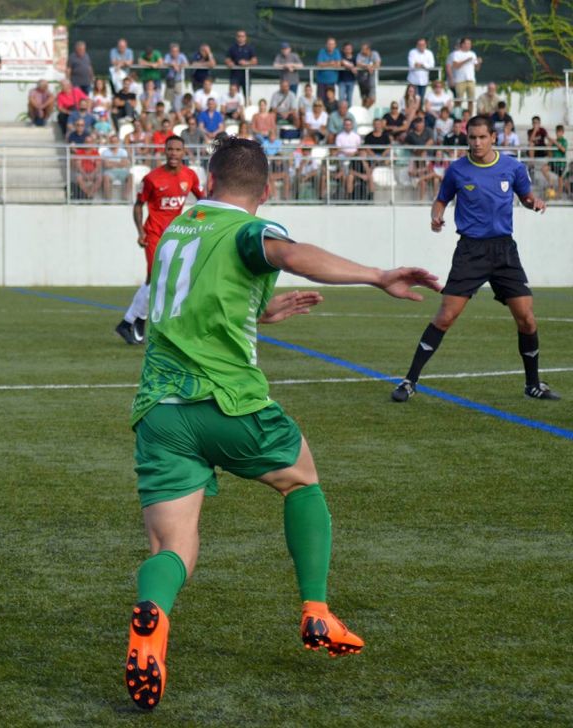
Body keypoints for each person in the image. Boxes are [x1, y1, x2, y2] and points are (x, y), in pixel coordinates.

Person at [123, 135, 440, 711]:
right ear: (266, 192)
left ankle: (155, 620)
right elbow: (287, 254)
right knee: (301, 478)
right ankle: (316, 612)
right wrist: (377, 275)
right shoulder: (248, 230)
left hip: (159, 413)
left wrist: (260, 309)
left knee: (172, 545)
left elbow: (192, 298)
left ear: (207, 180)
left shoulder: (177, 228)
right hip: (229, 403)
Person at [391, 115, 557, 403]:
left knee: (527, 320)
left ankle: (533, 384)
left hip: (505, 251)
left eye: (482, 137)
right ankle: (409, 381)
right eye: (472, 138)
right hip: (470, 252)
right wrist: (436, 215)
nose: (477, 143)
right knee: (445, 317)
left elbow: (527, 197)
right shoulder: (457, 170)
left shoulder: (512, 167)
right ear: (467, 138)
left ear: (493, 137)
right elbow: (441, 199)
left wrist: (535, 203)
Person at [114, 135, 203, 345]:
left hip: (175, 235)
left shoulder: (189, 176)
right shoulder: (152, 178)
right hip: (154, 234)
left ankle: (132, 322)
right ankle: (133, 322)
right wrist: (140, 232)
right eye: (170, 149)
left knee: (153, 280)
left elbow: (204, 201)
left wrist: (197, 219)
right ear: (165, 151)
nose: (173, 153)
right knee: (157, 279)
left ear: (184, 152)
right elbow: (138, 205)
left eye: (178, 150)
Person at [447, 37, 481, 116]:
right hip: (460, 80)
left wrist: (479, 63)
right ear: (462, 44)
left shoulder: (472, 53)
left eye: (470, 43)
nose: (469, 45)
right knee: (459, 100)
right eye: (467, 43)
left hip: (471, 80)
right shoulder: (456, 54)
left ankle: (470, 117)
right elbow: (455, 66)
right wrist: (466, 60)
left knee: (471, 100)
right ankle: (457, 116)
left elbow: (477, 69)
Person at [225, 29, 257, 98]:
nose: (241, 38)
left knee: (247, 95)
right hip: (235, 76)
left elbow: (255, 61)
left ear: (245, 37)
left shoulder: (250, 48)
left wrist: (246, 63)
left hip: (246, 75)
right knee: (235, 95)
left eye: (242, 36)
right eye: (239, 36)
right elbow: (227, 59)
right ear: (236, 37)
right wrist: (230, 63)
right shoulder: (232, 48)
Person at [355, 42, 381, 109]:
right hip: (362, 80)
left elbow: (378, 64)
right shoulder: (359, 55)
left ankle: (364, 110)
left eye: (363, 49)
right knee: (364, 99)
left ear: (368, 49)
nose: (361, 51)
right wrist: (367, 66)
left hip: (371, 80)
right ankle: (363, 111)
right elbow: (358, 64)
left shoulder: (374, 54)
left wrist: (372, 67)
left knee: (372, 99)